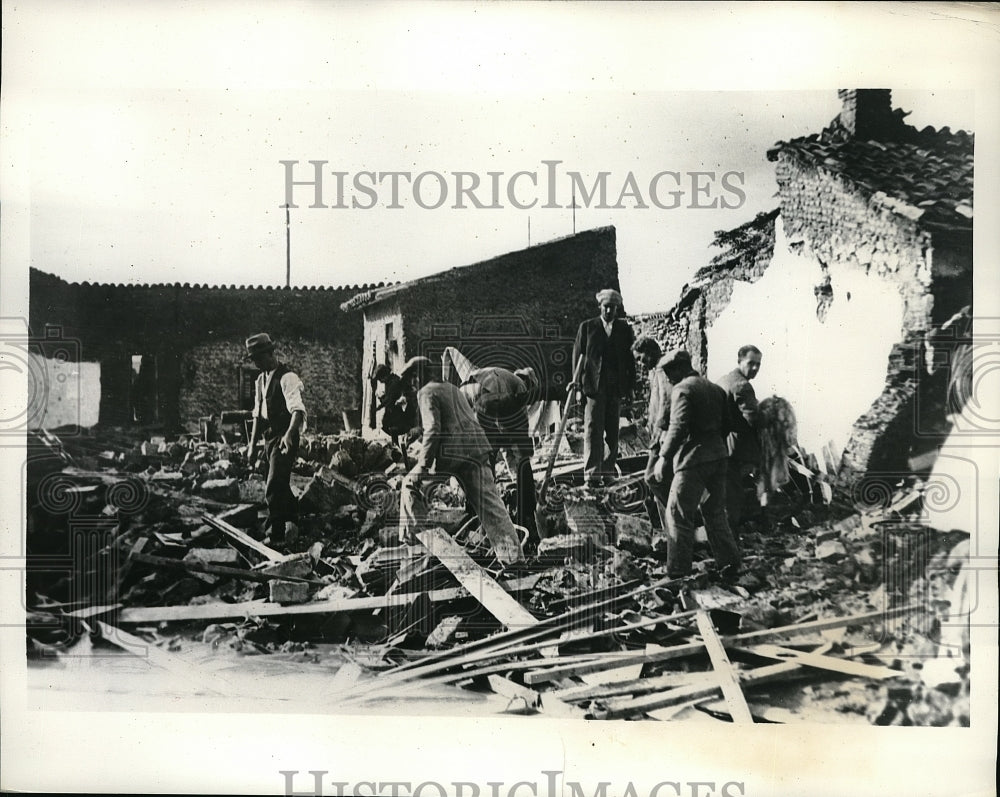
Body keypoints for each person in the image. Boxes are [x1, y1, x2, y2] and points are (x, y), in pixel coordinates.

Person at [398, 356, 524, 566]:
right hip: (475, 451)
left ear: (418, 376)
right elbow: (453, 421)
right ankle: (514, 560)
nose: (412, 384)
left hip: (453, 456)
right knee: (492, 508)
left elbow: (434, 430)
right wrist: (418, 431)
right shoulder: (452, 388)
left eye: (412, 378)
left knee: (410, 485)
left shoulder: (426, 392)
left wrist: (422, 466)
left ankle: (419, 550)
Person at [656, 349, 740, 581]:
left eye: (670, 372)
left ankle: (678, 572)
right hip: (718, 458)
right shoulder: (715, 389)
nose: (668, 378)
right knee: (715, 513)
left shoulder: (683, 389)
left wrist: (664, 457)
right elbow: (728, 426)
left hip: (693, 461)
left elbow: (678, 427)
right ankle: (730, 563)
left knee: (678, 513)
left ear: (681, 368)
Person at [461, 365, 540, 543]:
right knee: (521, 459)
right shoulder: (520, 386)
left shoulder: (502, 376)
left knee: (482, 458)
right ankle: (526, 513)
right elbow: (517, 436)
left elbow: (503, 435)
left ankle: (474, 515)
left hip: (472, 394)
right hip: (488, 395)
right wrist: (523, 456)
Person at [245, 333, 307, 547]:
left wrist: (289, 434)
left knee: (273, 483)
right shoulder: (260, 380)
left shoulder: (287, 377)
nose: (256, 364)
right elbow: (256, 415)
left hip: (285, 436)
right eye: (253, 360)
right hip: (269, 437)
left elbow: (297, 410)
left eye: (258, 359)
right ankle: (293, 517)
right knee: (277, 481)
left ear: (269, 354)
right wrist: (252, 446)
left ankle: (277, 535)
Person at [571, 288, 636, 486]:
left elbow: (629, 360)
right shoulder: (588, 327)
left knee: (612, 431)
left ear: (617, 309)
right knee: (592, 430)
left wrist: (630, 387)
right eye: (606, 307)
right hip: (594, 388)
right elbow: (578, 359)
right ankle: (592, 475)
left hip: (614, 388)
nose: (609, 311)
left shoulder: (624, 330)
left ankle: (608, 472)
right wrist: (579, 389)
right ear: (600, 307)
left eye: (613, 308)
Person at [715, 345, 762, 530]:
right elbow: (754, 420)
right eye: (751, 363)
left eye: (758, 364)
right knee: (733, 498)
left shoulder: (724, 380)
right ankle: (729, 542)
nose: (755, 368)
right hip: (734, 450)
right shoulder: (743, 386)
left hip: (720, 446)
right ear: (739, 361)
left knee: (724, 495)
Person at [632, 336, 672, 529]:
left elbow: (666, 401)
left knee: (653, 478)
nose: (640, 364)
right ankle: (667, 529)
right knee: (659, 480)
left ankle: (676, 521)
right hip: (656, 433)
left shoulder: (664, 370)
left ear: (651, 353)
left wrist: (659, 432)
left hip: (662, 435)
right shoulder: (654, 371)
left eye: (642, 358)